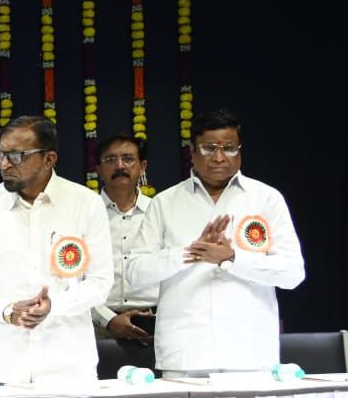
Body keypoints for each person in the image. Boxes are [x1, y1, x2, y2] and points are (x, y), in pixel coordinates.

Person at [125, 109, 304, 375]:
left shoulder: (266, 199)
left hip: (251, 354)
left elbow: (293, 274)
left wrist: (232, 259)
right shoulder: (165, 202)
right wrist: (189, 253)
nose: (219, 157)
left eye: (229, 148)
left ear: (240, 150)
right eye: (208, 148)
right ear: (192, 151)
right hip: (185, 354)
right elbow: (135, 273)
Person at [0, 115, 113, 383]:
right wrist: (5, 310)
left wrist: (54, 305)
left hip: (68, 366)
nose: (4, 164)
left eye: (16, 155)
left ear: (49, 159)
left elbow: (100, 283)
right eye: (0, 154)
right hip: (1, 365)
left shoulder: (85, 203)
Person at [90, 134, 159, 342]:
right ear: (98, 169)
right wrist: (109, 320)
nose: (120, 166)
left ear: (142, 166)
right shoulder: (85, 214)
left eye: (128, 159)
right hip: (97, 327)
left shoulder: (159, 211)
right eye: (110, 160)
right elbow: (73, 280)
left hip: (154, 325)